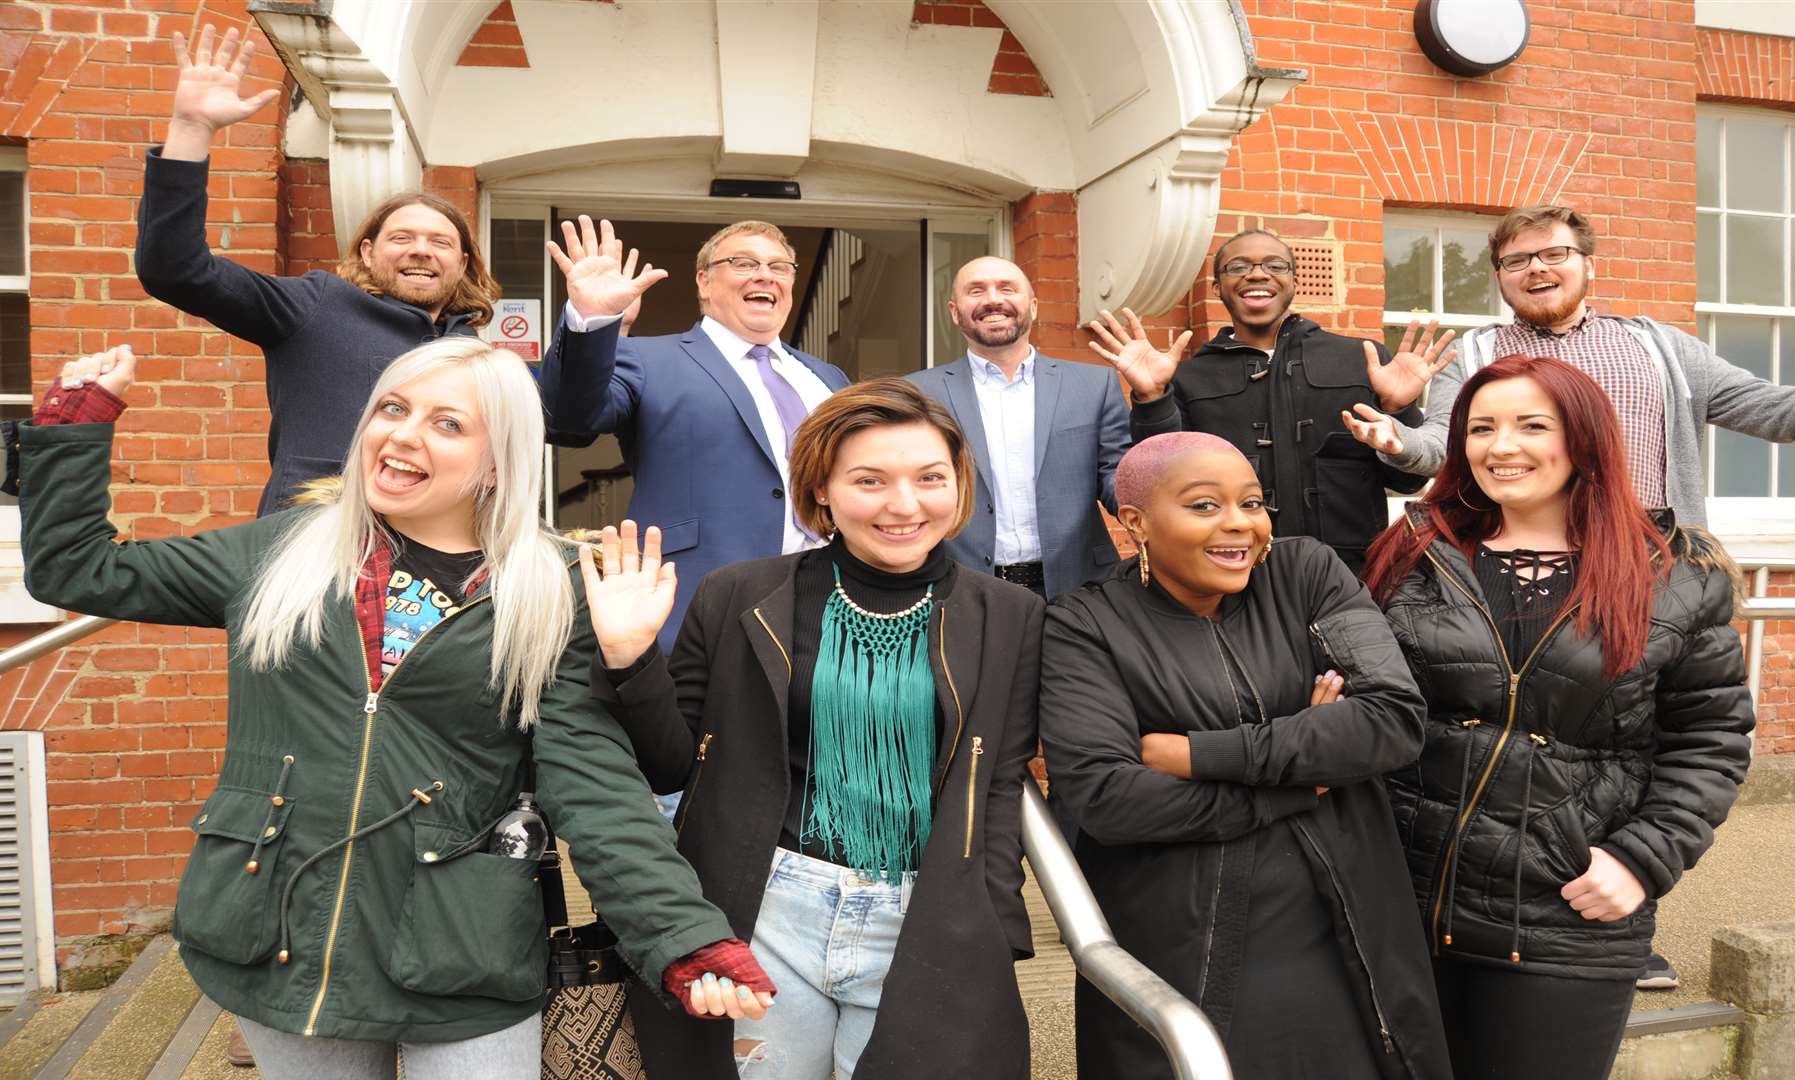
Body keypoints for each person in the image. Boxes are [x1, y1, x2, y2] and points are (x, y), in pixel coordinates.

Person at [13, 340, 775, 1078]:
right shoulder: (284, 551)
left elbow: (595, 784)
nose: (403, 436)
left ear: (499, 460)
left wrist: (686, 938)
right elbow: (77, 569)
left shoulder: (554, 589)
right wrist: (77, 423)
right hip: (280, 929)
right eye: (392, 408)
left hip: (458, 943)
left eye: (448, 424)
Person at [583, 378, 1042, 1078]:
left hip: (924, 911)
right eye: (870, 480)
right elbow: (670, 767)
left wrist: (995, 932)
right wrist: (629, 657)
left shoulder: (1010, 614)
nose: (905, 504)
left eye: (930, 478)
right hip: (767, 909)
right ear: (822, 488)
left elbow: (999, 786)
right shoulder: (738, 593)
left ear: (960, 484)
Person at [1361, 355, 1753, 1079]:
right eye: (1481, 428)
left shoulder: (1674, 574)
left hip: (1562, 916)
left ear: (1584, 438)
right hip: (1402, 902)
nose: (1500, 447)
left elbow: (1712, 740)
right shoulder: (1415, 553)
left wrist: (1643, 858)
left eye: (1530, 425)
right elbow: (1366, 703)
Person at [1037, 431, 1451, 1080]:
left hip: (1347, 916)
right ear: (1135, 523)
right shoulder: (1084, 625)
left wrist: (1196, 754)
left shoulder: (1304, 572)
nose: (1239, 524)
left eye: (1252, 503)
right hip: (1185, 937)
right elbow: (1109, 801)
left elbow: (1392, 722)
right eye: (1204, 506)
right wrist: (1301, 776)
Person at [1345, 203, 1795, 529]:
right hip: (1519, 562)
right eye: (1515, 260)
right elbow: (1442, 449)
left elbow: (1778, 413)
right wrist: (1393, 436)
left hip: (1653, 556)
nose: (1536, 269)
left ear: (1588, 266)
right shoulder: (1474, 354)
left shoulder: (1661, 349)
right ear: (1499, 276)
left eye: (1555, 254)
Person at [137, 26, 499, 517]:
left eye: (440, 242)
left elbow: (546, 432)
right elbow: (175, 270)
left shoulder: (473, 352)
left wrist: (593, 320)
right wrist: (191, 129)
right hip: (311, 553)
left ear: (462, 265)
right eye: (402, 238)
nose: (421, 251)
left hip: (430, 565)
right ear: (367, 253)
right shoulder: (316, 305)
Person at [537, 218, 851, 651]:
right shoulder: (646, 358)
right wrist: (593, 320)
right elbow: (569, 420)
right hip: (696, 608)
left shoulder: (828, 377)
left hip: (829, 611)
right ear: (704, 281)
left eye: (780, 267)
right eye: (744, 263)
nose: (765, 275)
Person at [1086, 228, 1451, 573]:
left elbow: (1406, 484)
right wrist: (1152, 398)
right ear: (1218, 287)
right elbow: (1160, 482)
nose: (1257, 274)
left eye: (1275, 266)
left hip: (1352, 577)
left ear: (1294, 281)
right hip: (1234, 574)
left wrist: (1397, 409)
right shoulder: (1189, 378)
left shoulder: (1362, 360)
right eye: (1239, 267)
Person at [905, 256, 1130, 598]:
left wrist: (1153, 397)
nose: (993, 299)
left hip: (1083, 587)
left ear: (1033, 307)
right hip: (960, 589)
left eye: (1006, 288)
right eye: (976, 290)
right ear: (954, 312)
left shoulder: (1093, 385)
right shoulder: (918, 393)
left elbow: (1122, 481)